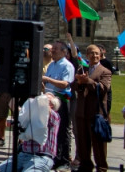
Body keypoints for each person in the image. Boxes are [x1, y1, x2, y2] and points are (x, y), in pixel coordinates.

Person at [0, 93, 61, 172]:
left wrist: (38, 95)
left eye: (45, 100)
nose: (38, 100)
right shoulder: (32, 114)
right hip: (22, 155)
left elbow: (44, 109)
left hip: (42, 157)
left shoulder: (55, 116)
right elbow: (20, 110)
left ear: (52, 105)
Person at [71, 44, 112, 172]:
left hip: (96, 113)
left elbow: (103, 88)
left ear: (100, 55)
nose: (94, 55)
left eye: (96, 53)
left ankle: (102, 168)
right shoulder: (82, 69)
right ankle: (85, 166)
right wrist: (79, 82)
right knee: (82, 143)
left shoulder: (105, 71)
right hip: (81, 112)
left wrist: (87, 81)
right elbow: (73, 87)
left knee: (98, 145)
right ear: (87, 55)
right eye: (91, 53)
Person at [41, 39, 75, 170]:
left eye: (55, 49)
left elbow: (65, 84)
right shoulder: (51, 65)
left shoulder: (67, 66)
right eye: (52, 49)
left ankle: (64, 160)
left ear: (63, 52)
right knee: (52, 130)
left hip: (61, 101)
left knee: (63, 131)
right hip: (49, 101)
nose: (52, 51)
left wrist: (48, 79)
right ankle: (54, 156)